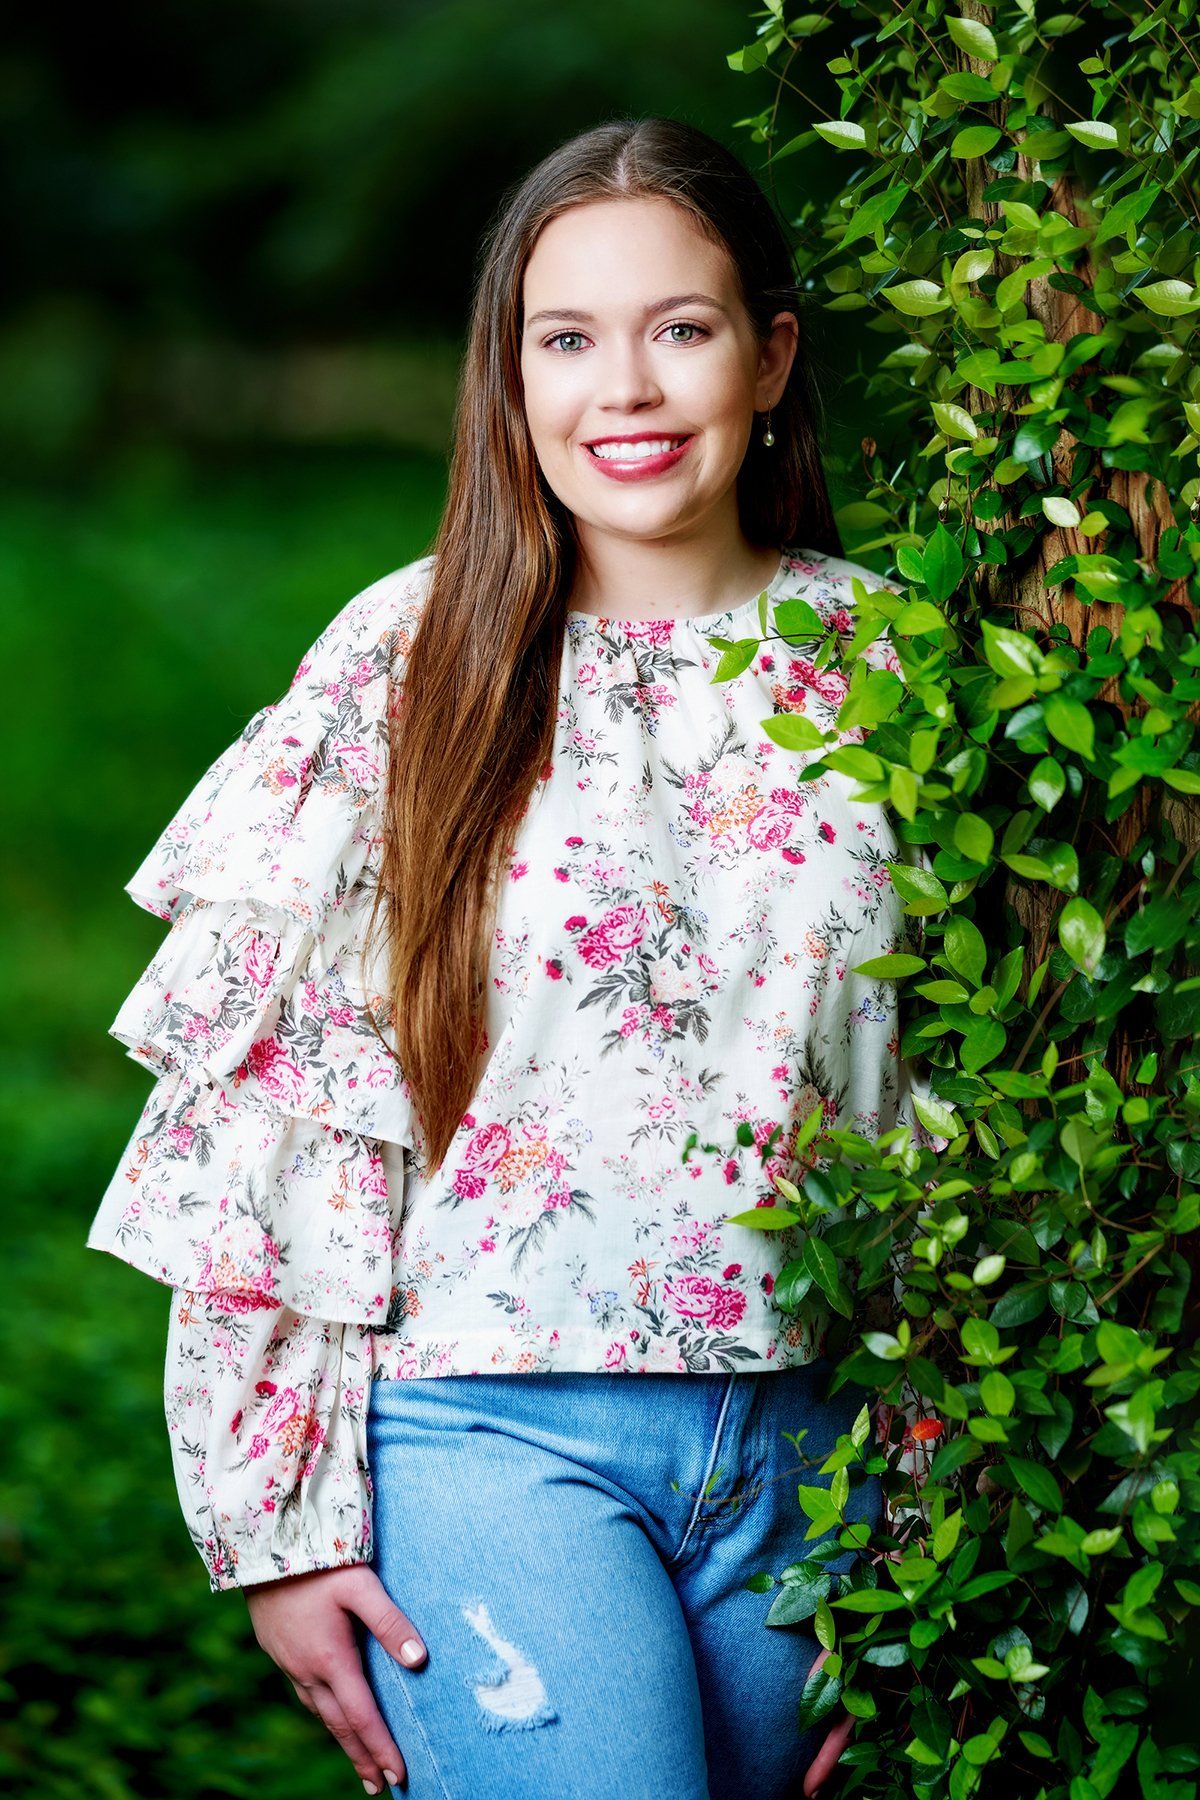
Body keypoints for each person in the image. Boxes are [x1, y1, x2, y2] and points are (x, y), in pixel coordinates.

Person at [86, 115, 925, 1800]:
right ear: (508, 376)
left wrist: (945, 1499)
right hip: (486, 1427)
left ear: (768, 358)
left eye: (680, 329)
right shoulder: (409, 659)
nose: (626, 386)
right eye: (568, 338)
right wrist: (274, 1527)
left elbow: (956, 1095)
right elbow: (278, 1101)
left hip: (817, 1451)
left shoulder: (900, 666)